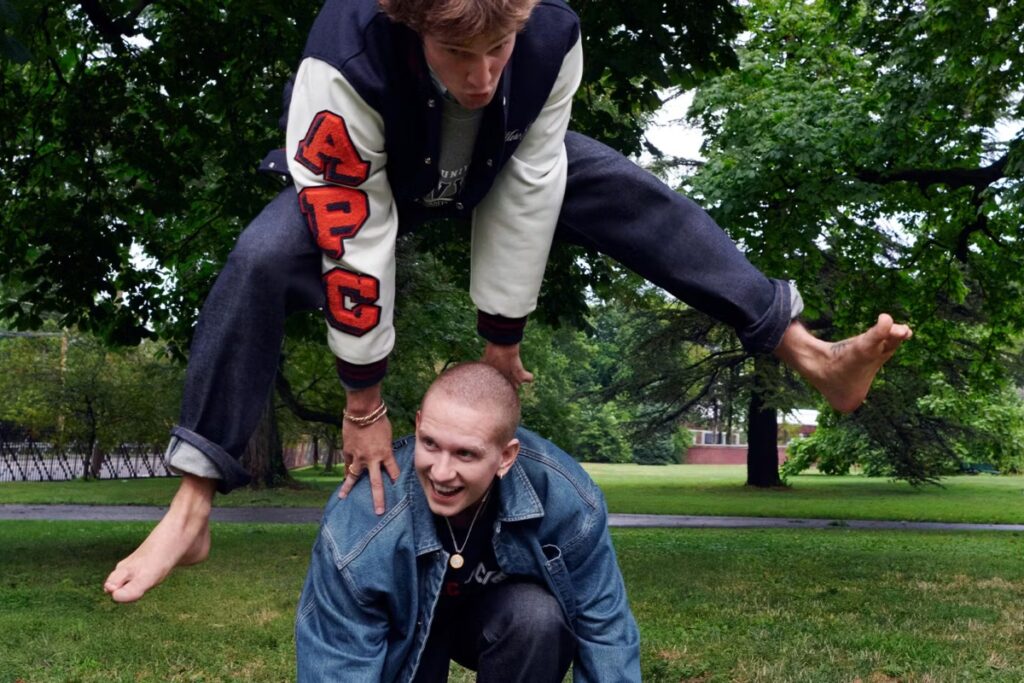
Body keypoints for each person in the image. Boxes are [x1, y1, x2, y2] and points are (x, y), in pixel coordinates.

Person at [103, 0, 912, 603]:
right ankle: (192, 505)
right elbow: (358, 240)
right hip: (376, 173)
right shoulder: (342, 60)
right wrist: (363, 400)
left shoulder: (552, 32)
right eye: (459, 51)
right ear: (409, 22)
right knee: (259, 255)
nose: (484, 74)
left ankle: (809, 353)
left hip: (498, 162)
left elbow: (527, 190)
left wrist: (501, 339)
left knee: (631, 191)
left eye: (500, 47)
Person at [295, 362, 640, 682]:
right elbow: (339, 662)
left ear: (506, 456)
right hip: (402, 629)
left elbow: (605, 631)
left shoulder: (567, 499)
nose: (441, 473)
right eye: (429, 444)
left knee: (536, 618)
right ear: (417, 426)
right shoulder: (359, 522)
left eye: (465, 454)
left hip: (497, 620)